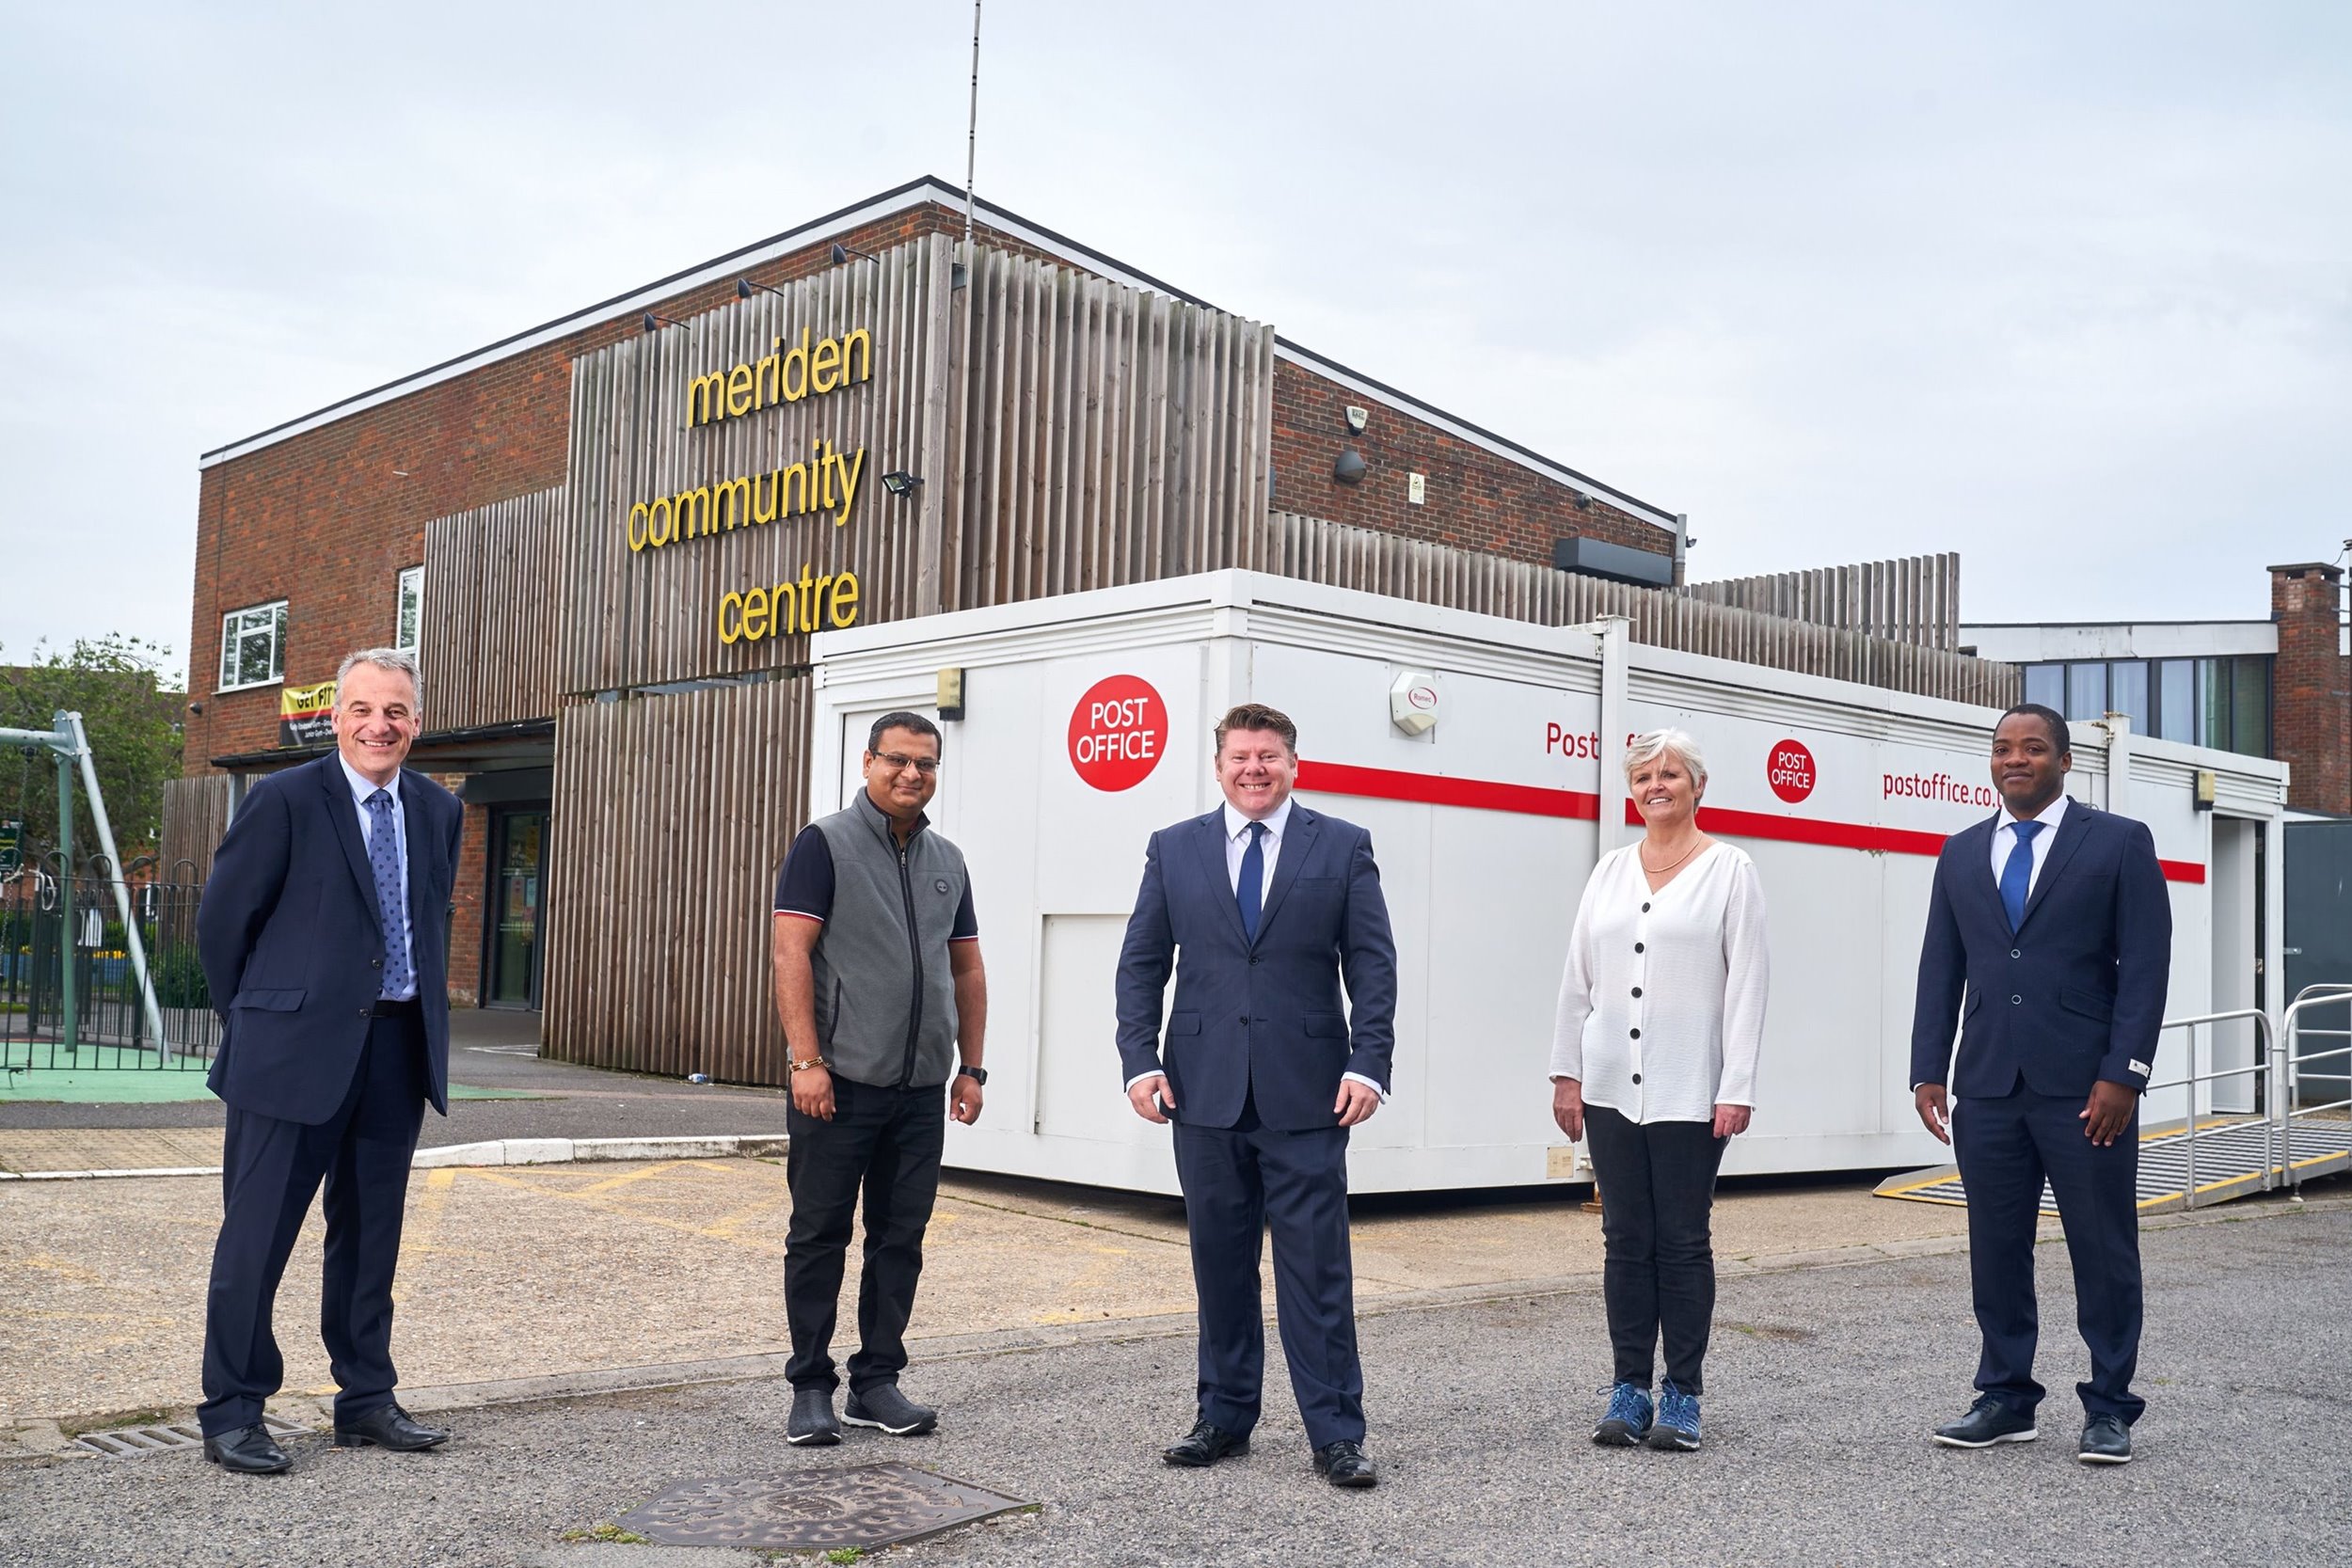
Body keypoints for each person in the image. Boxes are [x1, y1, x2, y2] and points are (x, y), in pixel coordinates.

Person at [1115, 703, 1398, 1489]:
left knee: (1316, 1270)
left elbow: (1372, 966)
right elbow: (1141, 963)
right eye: (1240, 756)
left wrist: (1369, 1064)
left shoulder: (1341, 846)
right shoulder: (1174, 849)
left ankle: (1336, 1433)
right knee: (1221, 1267)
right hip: (1201, 1095)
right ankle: (1224, 1417)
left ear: (1293, 764)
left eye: (1268, 756)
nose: (1254, 769)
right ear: (1218, 765)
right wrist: (1140, 1061)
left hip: (1309, 1096)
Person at [194, 648, 463, 1474]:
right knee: (258, 1235)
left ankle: (366, 1399)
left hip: (395, 1045)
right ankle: (234, 1409)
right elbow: (221, 925)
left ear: (415, 721)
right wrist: (266, 1018)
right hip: (289, 1054)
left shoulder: (436, 809)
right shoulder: (283, 799)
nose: (380, 725)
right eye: (364, 709)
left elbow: (425, 919)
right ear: (335, 716)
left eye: (398, 711)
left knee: (371, 1236)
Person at [1910, 703, 2169, 1465]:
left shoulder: (2118, 842)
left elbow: (2146, 966)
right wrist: (1929, 1066)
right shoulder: (1960, 853)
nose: (2013, 759)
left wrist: (2124, 1072)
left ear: (2063, 760)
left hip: (2085, 1088)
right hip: (1987, 1083)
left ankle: (2110, 1406)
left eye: (2031, 748)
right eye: (2002, 748)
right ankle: (2005, 1396)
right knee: (1994, 1246)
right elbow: (1940, 968)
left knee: (2102, 1245)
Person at [771, 711, 987, 1447]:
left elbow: (967, 966)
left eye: (925, 764)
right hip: (839, 1082)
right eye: (897, 760)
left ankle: (876, 1381)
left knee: (901, 1236)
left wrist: (972, 1066)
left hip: (922, 1086)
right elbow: (791, 953)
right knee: (819, 1233)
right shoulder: (823, 843)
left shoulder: (947, 859)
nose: (912, 774)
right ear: (868, 762)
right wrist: (806, 1060)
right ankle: (809, 1386)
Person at [1550, 728, 1767, 1453]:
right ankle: (1627, 1388)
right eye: (1644, 775)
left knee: (1681, 1240)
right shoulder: (1609, 871)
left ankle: (1683, 1394)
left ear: (1697, 785)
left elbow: (1748, 987)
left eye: (1671, 772)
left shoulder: (1731, 869)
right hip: (1610, 1083)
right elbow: (1578, 978)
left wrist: (1736, 1084)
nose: (1657, 784)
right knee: (1624, 1240)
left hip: (1690, 1088)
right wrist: (1566, 1071)